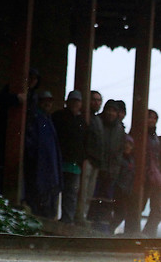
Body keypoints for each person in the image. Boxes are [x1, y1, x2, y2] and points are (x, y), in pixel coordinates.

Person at [0, 68, 40, 194]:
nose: (32, 81)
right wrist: (16, 98)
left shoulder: (34, 96)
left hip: (24, 137)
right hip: (4, 133)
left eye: (35, 79)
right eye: (31, 78)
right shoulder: (12, 89)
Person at [87, 100, 125, 232]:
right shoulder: (97, 123)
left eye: (113, 111)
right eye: (108, 110)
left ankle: (103, 226)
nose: (110, 113)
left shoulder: (120, 129)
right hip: (97, 167)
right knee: (93, 197)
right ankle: (90, 224)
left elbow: (120, 152)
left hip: (111, 171)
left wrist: (115, 169)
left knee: (107, 200)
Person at [24, 90, 62, 218]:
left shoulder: (48, 119)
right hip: (38, 162)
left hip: (48, 164)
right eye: (45, 101)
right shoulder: (36, 118)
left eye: (49, 102)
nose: (48, 104)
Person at [52, 90, 87, 224]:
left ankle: (67, 218)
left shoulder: (82, 122)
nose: (75, 104)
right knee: (55, 188)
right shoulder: (58, 117)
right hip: (59, 160)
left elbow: (86, 142)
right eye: (72, 101)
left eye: (77, 101)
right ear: (67, 102)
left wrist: (81, 158)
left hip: (74, 164)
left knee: (71, 193)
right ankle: (52, 215)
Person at [76, 90, 103, 223]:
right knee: (82, 190)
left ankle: (83, 216)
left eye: (99, 100)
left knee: (89, 193)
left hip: (95, 161)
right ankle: (79, 216)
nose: (96, 103)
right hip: (87, 159)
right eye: (94, 99)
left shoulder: (98, 119)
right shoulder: (86, 117)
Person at [141, 109, 161, 237]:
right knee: (139, 206)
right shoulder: (141, 134)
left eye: (154, 118)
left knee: (157, 209)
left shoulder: (155, 137)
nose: (152, 120)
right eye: (149, 118)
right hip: (143, 176)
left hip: (154, 176)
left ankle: (147, 234)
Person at [110, 134, 135, 234]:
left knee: (121, 214)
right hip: (117, 189)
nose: (127, 146)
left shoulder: (131, 160)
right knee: (119, 213)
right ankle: (110, 230)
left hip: (126, 191)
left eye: (130, 144)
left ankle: (110, 230)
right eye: (126, 144)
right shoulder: (119, 158)